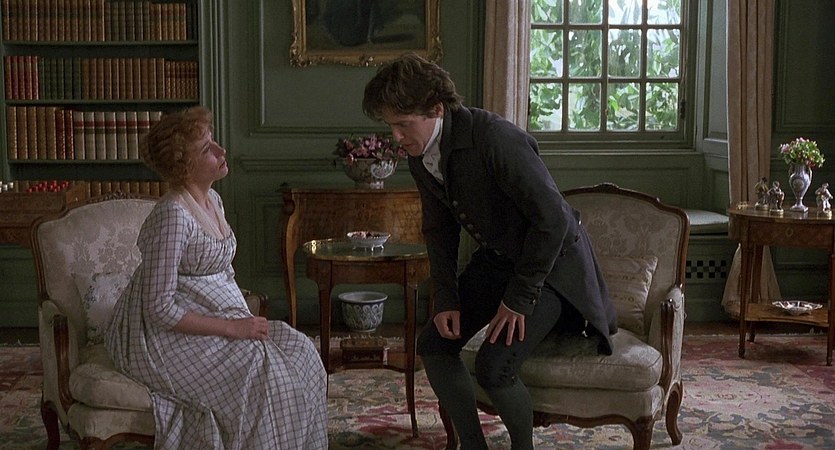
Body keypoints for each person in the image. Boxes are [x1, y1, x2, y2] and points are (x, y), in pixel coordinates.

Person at [362, 53, 617, 449]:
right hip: (498, 263)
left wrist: (518, 299)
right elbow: (439, 229)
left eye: (403, 124)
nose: (395, 136)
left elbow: (553, 221)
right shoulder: (419, 153)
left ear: (436, 109)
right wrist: (446, 298)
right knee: (433, 345)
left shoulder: (495, 138)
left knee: (494, 366)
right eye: (389, 125)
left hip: (553, 271)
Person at [104, 106, 328, 449]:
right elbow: (159, 308)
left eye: (214, 141)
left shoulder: (214, 201)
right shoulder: (173, 216)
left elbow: (223, 271)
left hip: (218, 317)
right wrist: (233, 329)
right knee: (263, 371)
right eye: (207, 149)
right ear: (184, 167)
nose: (221, 151)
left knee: (302, 352)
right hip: (161, 339)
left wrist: (242, 318)